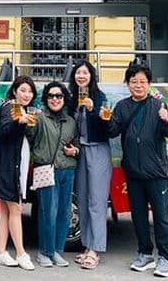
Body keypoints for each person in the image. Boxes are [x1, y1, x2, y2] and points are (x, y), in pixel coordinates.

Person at [101, 63, 168, 278]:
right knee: (139, 217)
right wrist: (105, 120)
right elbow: (112, 132)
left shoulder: (159, 105)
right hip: (133, 172)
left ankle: (165, 258)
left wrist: (166, 120)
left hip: (156, 173)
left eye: (142, 81)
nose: (138, 85)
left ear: (149, 84)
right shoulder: (122, 106)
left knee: (161, 217)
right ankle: (145, 254)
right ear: (128, 84)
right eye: (134, 82)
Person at [0, 75, 37, 271]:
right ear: (14, 91)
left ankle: (1, 252)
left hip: (11, 164)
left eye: (30, 91)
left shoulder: (23, 108)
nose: (27, 94)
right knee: (16, 209)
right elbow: (4, 129)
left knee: (4, 211)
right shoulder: (11, 107)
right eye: (23, 90)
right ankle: (21, 253)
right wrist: (19, 121)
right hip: (8, 166)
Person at [25, 81, 79, 268]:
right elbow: (30, 137)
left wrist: (75, 150)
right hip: (45, 169)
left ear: (64, 99)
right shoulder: (39, 117)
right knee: (48, 211)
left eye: (59, 96)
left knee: (64, 212)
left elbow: (77, 143)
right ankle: (44, 252)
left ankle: (57, 251)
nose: (55, 99)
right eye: (51, 96)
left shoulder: (71, 121)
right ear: (45, 99)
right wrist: (29, 124)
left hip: (67, 170)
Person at [66, 59, 111, 270]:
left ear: (91, 76)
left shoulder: (100, 98)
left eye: (85, 73)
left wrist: (93, 110)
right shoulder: (72, 99)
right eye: (78, 73)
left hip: (98, 150)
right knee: (82, 200)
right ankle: (86, 245)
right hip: (80, 151)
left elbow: (107, 128)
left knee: (97, 201)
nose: (81, 76)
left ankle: (96, 249)